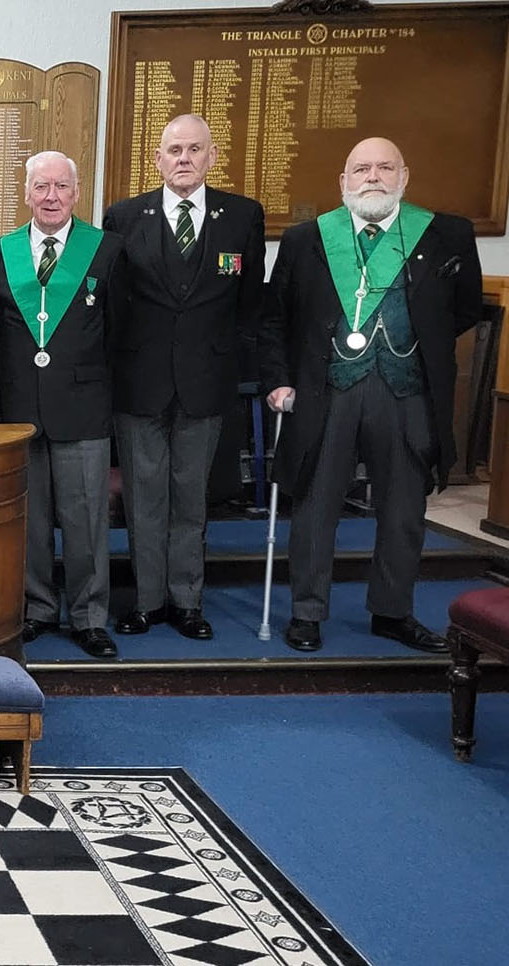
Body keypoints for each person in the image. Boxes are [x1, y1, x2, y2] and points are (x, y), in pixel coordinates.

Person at [260, 136, 483, 653]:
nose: (373, 177)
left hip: (406, 391)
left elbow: (465, 308)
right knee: (316, 505)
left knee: (404, 509)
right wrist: (277, 379)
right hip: (327, 390)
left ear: (404, 177)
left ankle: (393, 610)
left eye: (385, 167)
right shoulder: (306, 240)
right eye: (362, 169)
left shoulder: (446, 234)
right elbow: (274, 320)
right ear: (344, 182)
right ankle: (307, 612)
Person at [104, 114, 266, 641]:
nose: (184, 159)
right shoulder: (124, 216)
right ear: (157, 158)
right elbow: (114, 302)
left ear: (211, 156)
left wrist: (236, 369)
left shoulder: (242, 216)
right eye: (174, 149)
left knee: (191, 496)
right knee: (143, 497)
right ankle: (147, 601)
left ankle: (187, 601)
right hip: (139, 380)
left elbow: (250, 307)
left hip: (206, 381)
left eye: (195, 149)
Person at [0, 151, 129, 659]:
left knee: (87, 521)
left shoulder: (106, 251)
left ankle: (89, 617)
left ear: (77, 192)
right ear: (25, 193)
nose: (51, 197)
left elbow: (120, 335)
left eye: (61, 187)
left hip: (83, 408)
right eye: (41, 187)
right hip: (21, 412)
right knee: (31, 521)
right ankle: (38, 609)